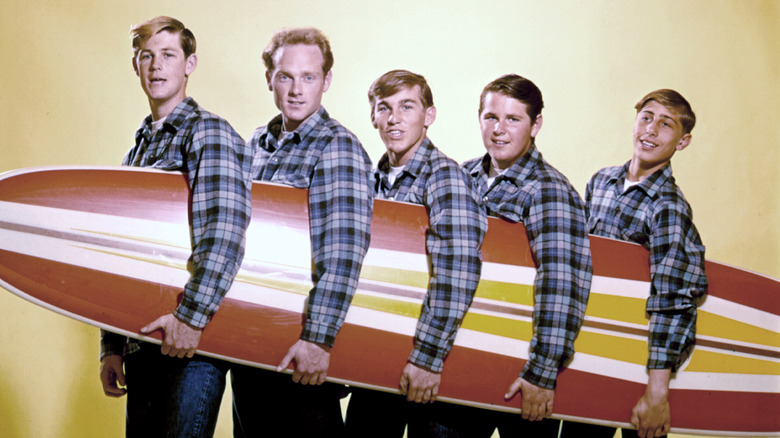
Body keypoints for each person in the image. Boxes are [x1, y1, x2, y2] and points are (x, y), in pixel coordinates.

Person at [98, 16, 252, 438]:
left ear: (190, 64)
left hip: (191, 344)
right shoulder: (137, 149)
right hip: (141, 341)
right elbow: (122, 253)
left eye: (168, 55)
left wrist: (192, 319)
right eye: (146, 56)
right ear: (135, 66)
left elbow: (225, 233)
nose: (156, 66)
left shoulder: (208, 133)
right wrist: (112, 346)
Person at [423, 74, 592, 437]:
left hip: (521, 374)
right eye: (491, 117)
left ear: (536, 125)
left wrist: (543, 374)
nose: (499, 130)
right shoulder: (460, 176)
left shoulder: (550, 192)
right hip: (459, 363)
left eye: (513, 119)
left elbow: (563, 284)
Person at [230, 27, 373, 437]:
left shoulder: (337, 147)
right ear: (270, 79)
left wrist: (319, 340)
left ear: (326, 81)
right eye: (285, 76)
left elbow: (343, 253)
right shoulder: (257, 143)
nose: (296, 89)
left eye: (308, 77)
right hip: (251, 340)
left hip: (301, 344)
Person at [344, 70, 487, 437]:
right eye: (384, 108)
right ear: (373, 117)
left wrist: (427, 359)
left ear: (429, 115)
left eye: (407, 106)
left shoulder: (445, 177)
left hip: (427, 366)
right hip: (377, 362)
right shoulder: (369, 180)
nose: (394, 118)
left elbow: (457, 272)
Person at [560, 89, 708, 438]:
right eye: (646, 117)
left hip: (641, 362)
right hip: (594, 352)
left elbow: (672, 298)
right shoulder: (602, 181)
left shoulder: (668, 206)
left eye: (666, 124)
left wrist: (657, 393)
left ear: (682, 142)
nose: (651, 130)